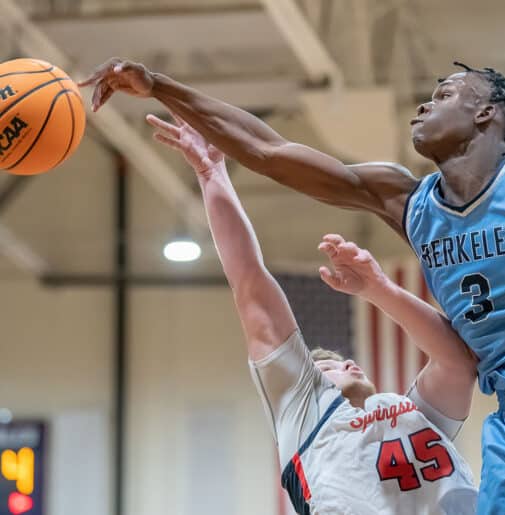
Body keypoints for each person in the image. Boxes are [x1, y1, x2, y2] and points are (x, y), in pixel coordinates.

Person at [81, 58, 505, 514]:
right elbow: (268, 151)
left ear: (487, 114)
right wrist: (160, 86)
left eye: (444, 94)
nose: (423, 106)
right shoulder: (406, 199)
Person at [147, 112, 479, 514]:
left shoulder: (413, 413)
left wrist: (379, 288)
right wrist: (211, 172)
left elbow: (457, 363)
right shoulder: (303, 411)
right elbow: (250, 280)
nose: (349, 362)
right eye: (329, 367)